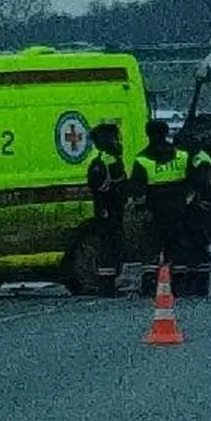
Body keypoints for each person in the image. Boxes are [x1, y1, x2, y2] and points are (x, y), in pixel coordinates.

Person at [128, 118, 193, 296]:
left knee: (151, 249)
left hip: (155, 212)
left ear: (148, 135)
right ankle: (180, 286)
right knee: (177, 248)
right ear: (166, 133)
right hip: (179, 211)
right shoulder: (182, 156)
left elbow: (136, 189)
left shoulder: (142, 160)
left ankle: (149, 287)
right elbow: (192, 182)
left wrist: (139, 209)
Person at [85, 122, 128, 295]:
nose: (117, 142)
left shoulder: (109, 158)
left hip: (112, 209)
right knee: (108, 246)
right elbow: (101, 187)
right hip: (108, 210)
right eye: (114, 138)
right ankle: (107, 286)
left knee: (112, 245)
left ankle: (110, 283)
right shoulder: (103, 161)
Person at [180, 138, 211, 297]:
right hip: (199, 205)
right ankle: (195, 283)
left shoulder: (200, 160)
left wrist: (193, 199)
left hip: (200, 207)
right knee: (193, 245)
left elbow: (203, 183)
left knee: (198, 244)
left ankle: (199, 285)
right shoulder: (198, 158)